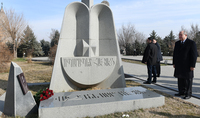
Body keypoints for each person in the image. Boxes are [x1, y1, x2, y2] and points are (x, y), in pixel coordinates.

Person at [173, 30, 197, 99]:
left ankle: (188, 93)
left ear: (185, 35)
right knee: (180, 79)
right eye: (179, 35)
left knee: (188, 80)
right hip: (179, 65)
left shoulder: (191, 43)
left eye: (181, 35)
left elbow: (194, 55)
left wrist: (192, 65)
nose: (179, 36)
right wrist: (174, 63)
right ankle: (181, 92)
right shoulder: (177, 43)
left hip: (188, 65)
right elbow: (175, 54)